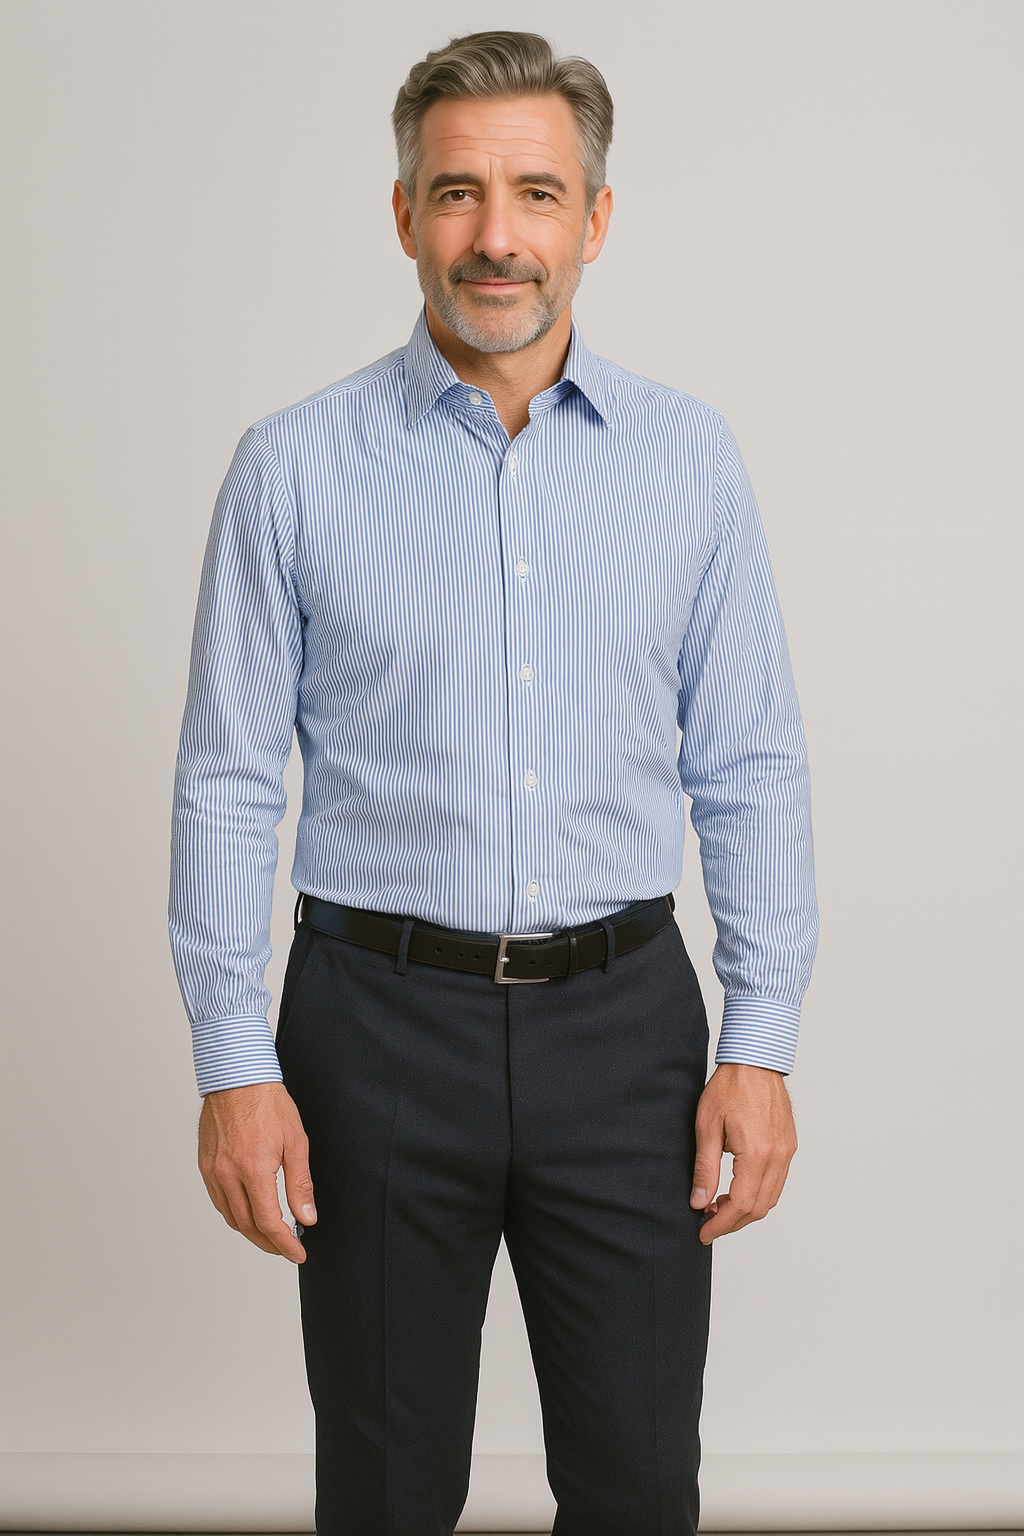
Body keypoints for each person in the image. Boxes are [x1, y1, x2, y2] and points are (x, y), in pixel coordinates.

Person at [170, 30, 817, 1536]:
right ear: (405, 214)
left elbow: (749, 762)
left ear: (597, 218)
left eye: (537, 192)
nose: (497, 236)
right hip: (374, 1032)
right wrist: (230, 1064)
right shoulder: (292, 466)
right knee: (388, 1493)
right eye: (458, 192)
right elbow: (226, 778)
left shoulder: (690, 463)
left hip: (626, 1035)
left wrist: (763, 1042)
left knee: (638, 1485)